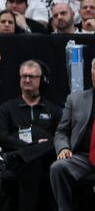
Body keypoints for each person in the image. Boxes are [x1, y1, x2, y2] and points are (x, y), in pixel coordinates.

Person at [0, 60, 61, 211]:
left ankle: (22, 156)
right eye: (24, 76)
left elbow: (58, 138)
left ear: (41, 79)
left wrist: (26, 153)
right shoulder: (7, 108)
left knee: (54, 143)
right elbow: (0, 136)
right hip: (17, 161)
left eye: (32, 76)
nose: (27, 80)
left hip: (43, 161)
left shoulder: (54, 109)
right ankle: (23, 156)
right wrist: (31, 148)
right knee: (32, 162)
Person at [50, 57, 95, 211]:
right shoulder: (75, 99)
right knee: (58, 168)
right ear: (92, 73)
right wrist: (63, 148)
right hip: (83, 157)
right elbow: (62, 131)